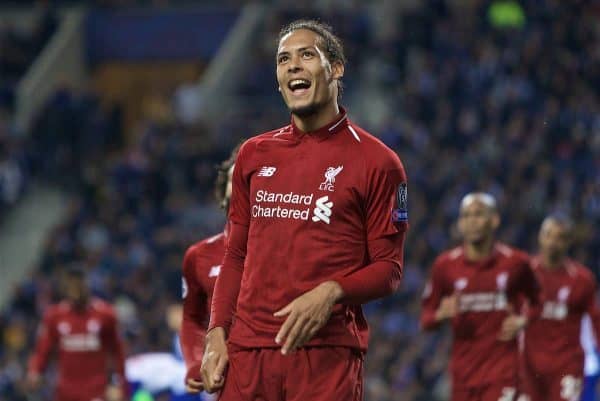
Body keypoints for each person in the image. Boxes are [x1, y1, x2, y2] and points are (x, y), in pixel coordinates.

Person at [201, 19, 409, 401]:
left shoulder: (380, 163)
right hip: (248, 355)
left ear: (336, 68)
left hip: (324, 356)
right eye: (283, 60)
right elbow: (235, 253)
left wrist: (333, 291)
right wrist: (217, 332)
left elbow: (389, 270)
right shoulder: (253, 154)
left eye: (306, 55)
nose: (292, 65)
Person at [420, 192, 540, 401]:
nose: (472, 221)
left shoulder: (516, 263)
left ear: (494, 220)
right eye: (466, 216)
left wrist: (524, 320)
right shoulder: (445, 266)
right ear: (460, 223)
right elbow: (426, 319)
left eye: (478, 214)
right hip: (463, 376)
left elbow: (539, 302)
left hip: (504, 372)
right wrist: (441, 315)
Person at [180, 146, 239, 396]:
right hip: (226, 386)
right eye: (237, 180)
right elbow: (192, 319)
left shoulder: (285, 251)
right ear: (223, 192)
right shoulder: (199, 256)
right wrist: (195, 361)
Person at [521, 215, 600, 401]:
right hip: (529, 366)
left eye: (560, 237)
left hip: (566, 366)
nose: (552, 242)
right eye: (548, 235)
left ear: (569, 242)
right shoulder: (523, 273)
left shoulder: (582, 280)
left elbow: (597, 322)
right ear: (540, 237)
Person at [27, 266, 129, 401]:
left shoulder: (106, 315)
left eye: (78, 286)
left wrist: (120, 384)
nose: (75, 291)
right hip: (66, 392)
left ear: (87, 286)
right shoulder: (54, 316)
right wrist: (35, 371)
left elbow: (118, 352)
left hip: (96, 391)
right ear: (66, 288)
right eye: (71, 287)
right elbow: (43, 350)